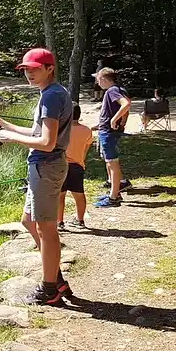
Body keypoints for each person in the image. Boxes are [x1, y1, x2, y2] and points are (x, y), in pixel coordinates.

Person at [0, 48, 73, 306]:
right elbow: (35, 132)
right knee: (29, 222)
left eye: (34, 69)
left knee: (46, 229)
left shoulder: (52, 96)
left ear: (50, 68)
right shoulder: (51, 93)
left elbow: (47, 143)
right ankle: (56, 278)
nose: (29, 73)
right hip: (42, 165)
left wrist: (10, 138)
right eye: (26, 69)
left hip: (46, 166)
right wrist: (0, 123)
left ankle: (49, 289)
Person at [92, 67, 132, 208]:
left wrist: (114, 120)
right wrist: (100, 125)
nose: (97, 82)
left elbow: (126, 104)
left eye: (98, 79)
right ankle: (115, 191)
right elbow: (118, 110)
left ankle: (113, 198)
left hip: (108, 133)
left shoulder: (112, 91)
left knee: (112, 163)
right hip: (106, 130)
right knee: (110, 162)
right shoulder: (118, 89)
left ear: (103, 79)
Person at [57, 103, 93, 230]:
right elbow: (86, 149)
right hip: (78, 166)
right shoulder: (87, 130)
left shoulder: (61, 130)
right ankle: (80, 220)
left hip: (61, 166)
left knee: (60, 195)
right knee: (79, 194)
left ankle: (59, 222)